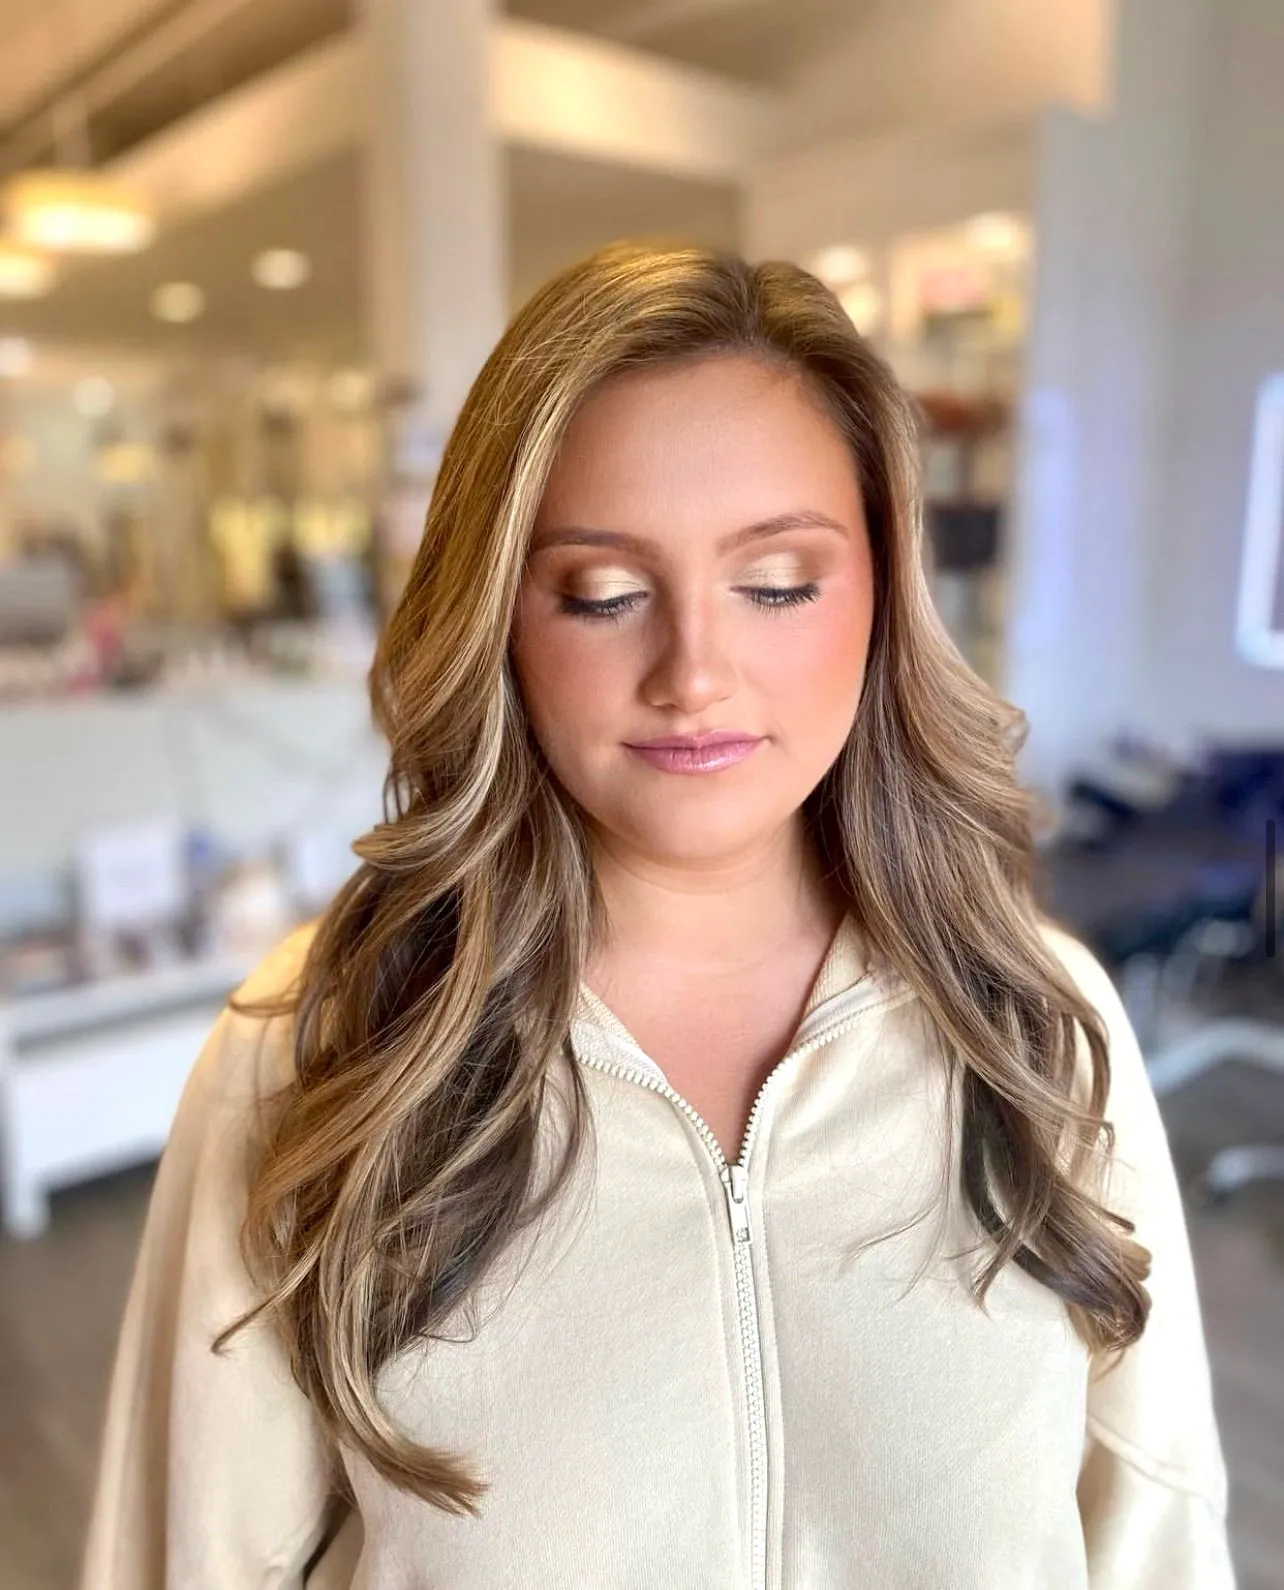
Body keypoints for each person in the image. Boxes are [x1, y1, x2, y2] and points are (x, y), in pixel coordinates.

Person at [81, 243, 1234, 1589]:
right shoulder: (319, 1047)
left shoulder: (1035, 1025)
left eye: (781, 580)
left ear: (880, 599)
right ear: (499, 617)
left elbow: (1158, 1536)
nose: (694, 670)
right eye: (603, 593)